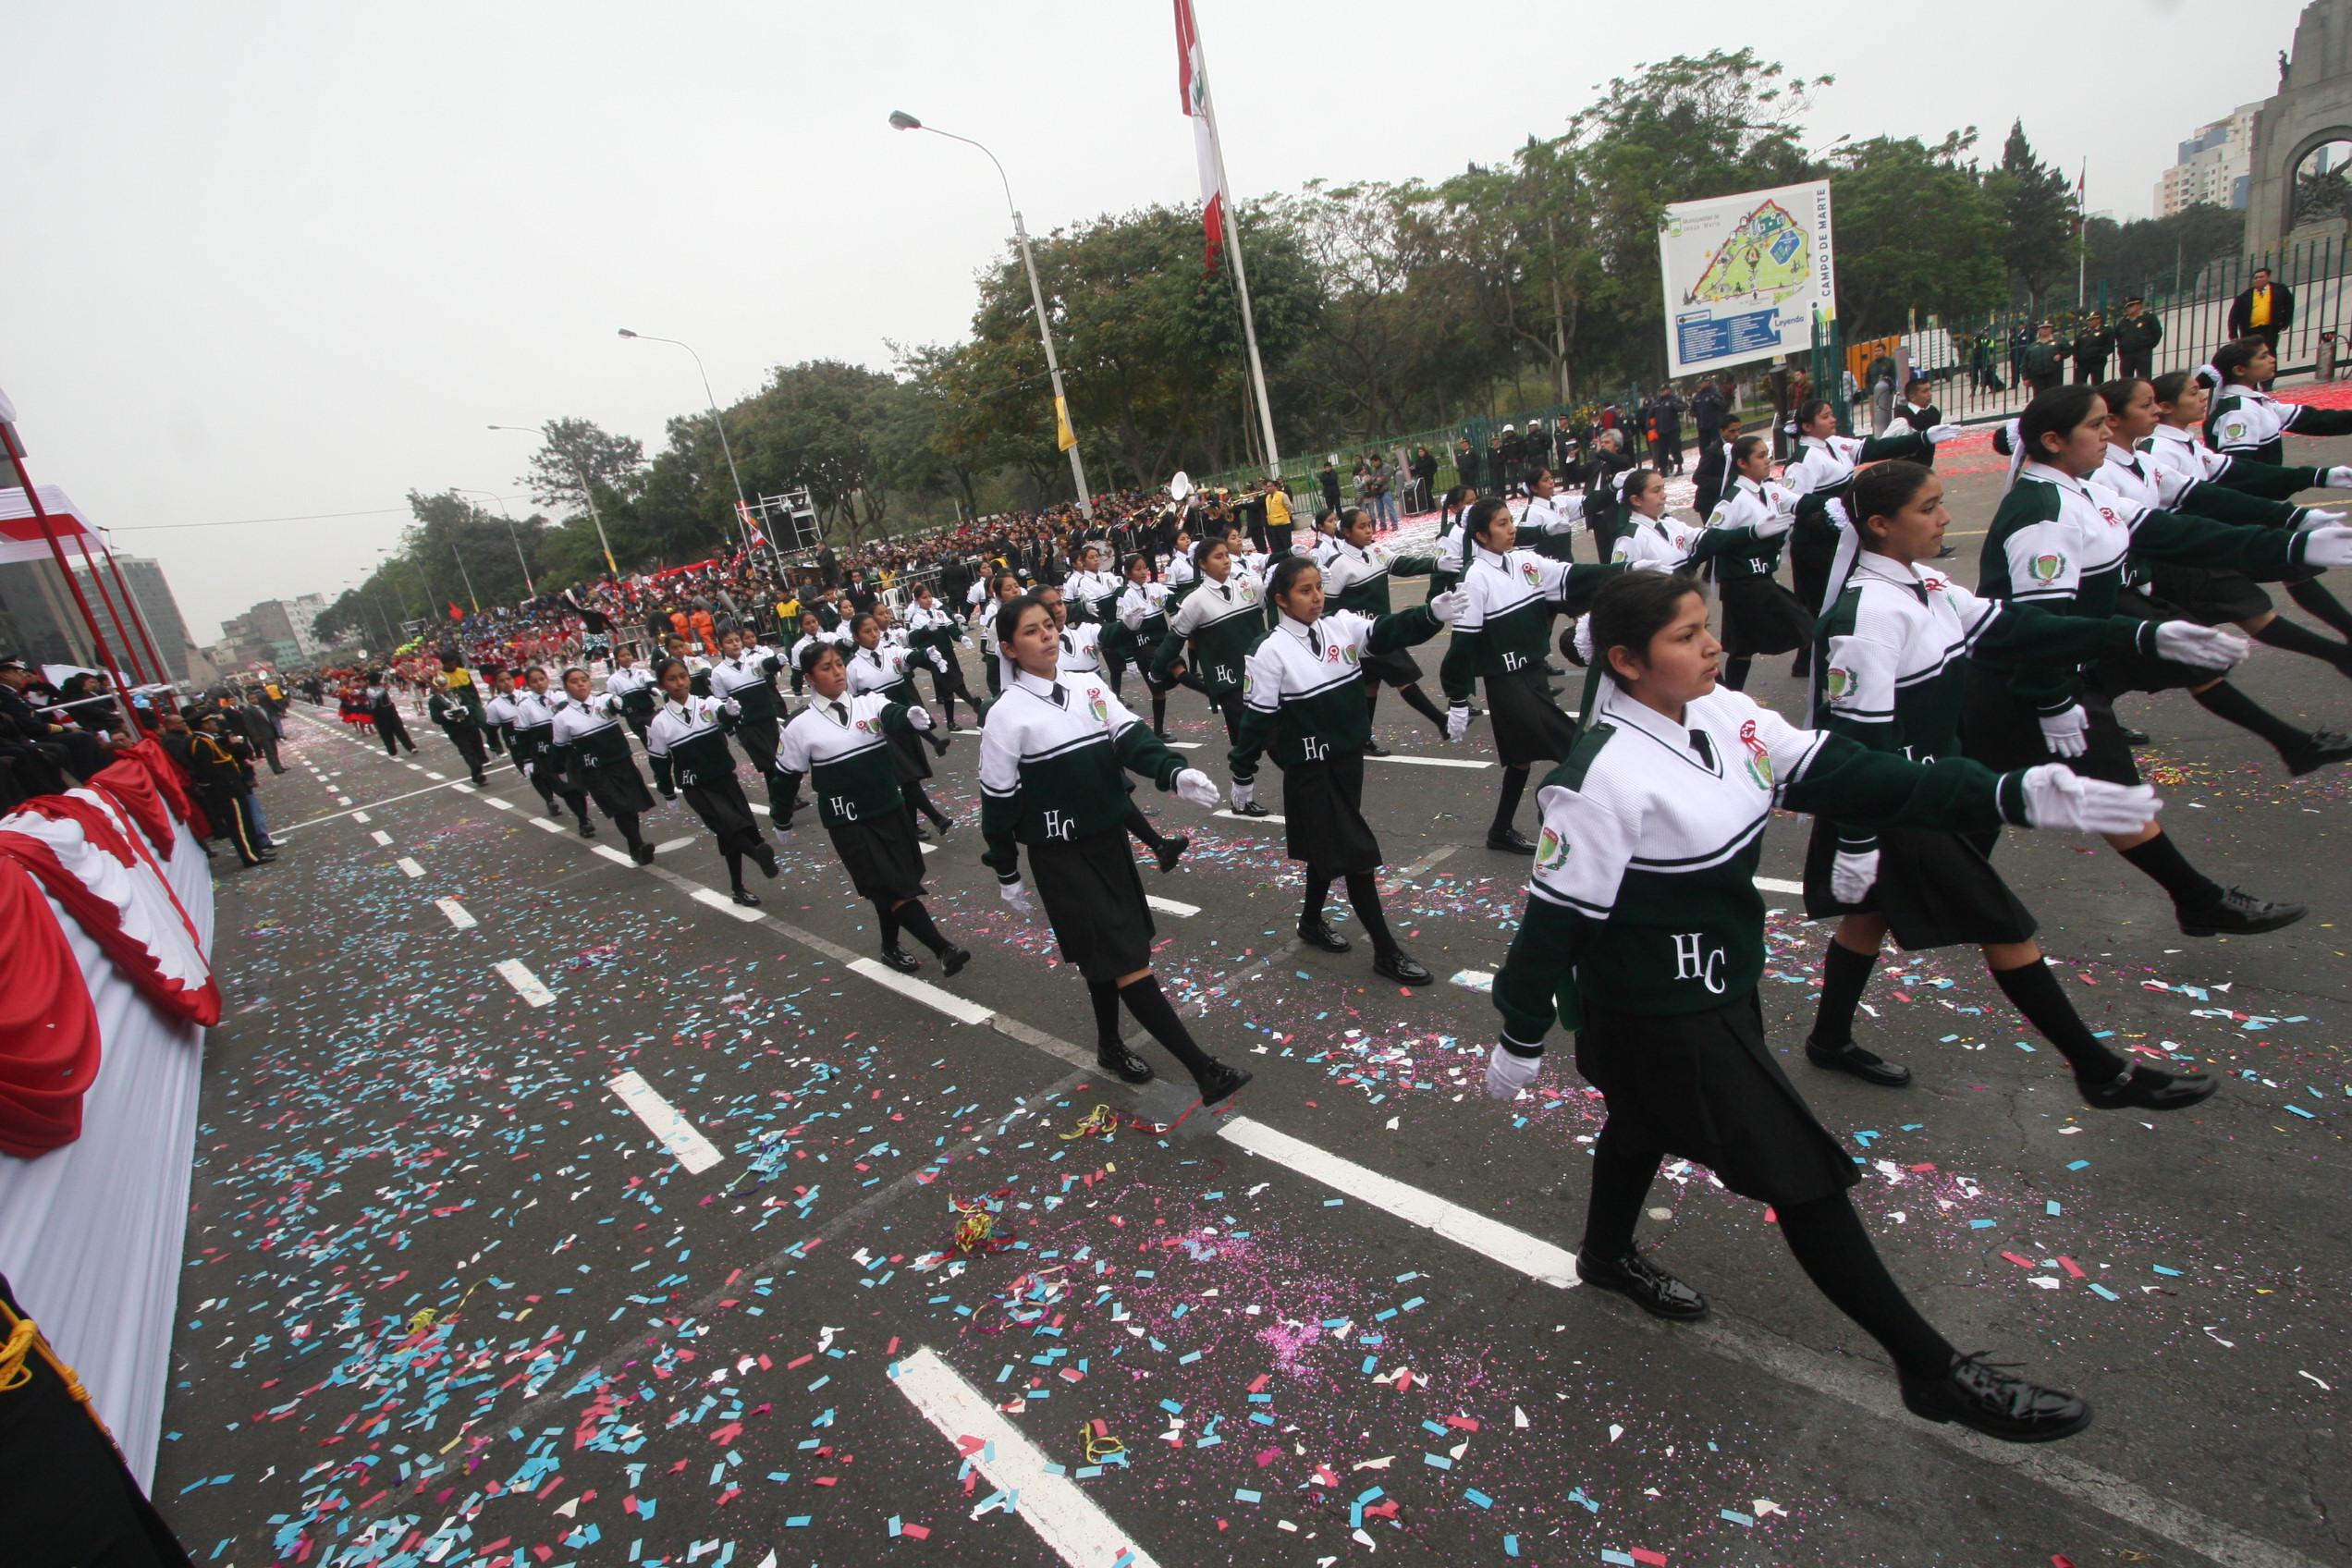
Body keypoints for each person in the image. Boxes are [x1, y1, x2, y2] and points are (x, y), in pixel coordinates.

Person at [1486, 569, 2158, 1444]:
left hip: (1721, 986)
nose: (1713, 645)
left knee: (1641, 1125)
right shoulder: (1600, 779)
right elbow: (1554, 923)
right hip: (1657, 1014)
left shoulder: (1723, 713)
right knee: (1799, 1172)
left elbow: (1842, 770)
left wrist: (2004, 793)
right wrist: (1521, 1033)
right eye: (1687, 635)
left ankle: (1606, 1254)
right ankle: (1930, 1367)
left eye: (1705, 625)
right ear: (1626, 661)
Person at [1804, 458, 2240, 1100]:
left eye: (1941, 502)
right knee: (2006, 928)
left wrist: (2142, 635)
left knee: (1868, 918)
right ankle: (2100, 1072)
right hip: (1898, 802)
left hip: (1934, 789)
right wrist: (1859, 841)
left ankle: (1828, 1039)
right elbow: (1858, 744)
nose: (1945, 517)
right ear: (1878, 524)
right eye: (1927, 507)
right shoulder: (1868, 616)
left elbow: (2017, 628)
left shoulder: (1923, 584)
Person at [1966, 386, 2352, 935]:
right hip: (2024, 684)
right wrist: (2052, 699)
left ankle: (1925, 888)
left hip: (2048, 677)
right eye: (2095, 425)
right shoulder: (2043, 515)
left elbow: (2185, 531)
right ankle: (2198, 900)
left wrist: (2296, 544)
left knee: (1981, 806)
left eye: (2106, 422)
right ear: (2053, 440)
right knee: (2091, 797)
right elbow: (2036, 626)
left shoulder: (2080, 492)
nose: (2107, 433)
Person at [982, 592, 1248, 1102]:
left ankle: (1108, 1044)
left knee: (1108, 955)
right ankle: (1204, 1071)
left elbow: (1130, 738)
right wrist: (1006, 870)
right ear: (1009, 648)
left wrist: (1173, 770)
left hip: (1108, 845)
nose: (1047, 636)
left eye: (1049, 625)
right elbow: (999, 801)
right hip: (1063, 858)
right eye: (1032, 631)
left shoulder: (1086, 685)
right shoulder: (1006, 715)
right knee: (1128, 960)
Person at [1231, 557, 1464, 985]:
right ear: (1281, 600)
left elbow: (1388, 631)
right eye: (1304, 590)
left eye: (1319, 587)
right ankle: (1386, 952)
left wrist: (1430, 615)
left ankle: (1309, 922)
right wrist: (1242, 775)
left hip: (1346, 760)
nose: (1317, 596)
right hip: (1309, 770)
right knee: (1357, 857)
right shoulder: (1268, 651)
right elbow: (1256, 721)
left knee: (1331, 847)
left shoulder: (1341, 626)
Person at [1439, 498, 1623, 851]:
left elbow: (1572, 575)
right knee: (1573, 748)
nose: (1511, 529)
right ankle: (1591, 828)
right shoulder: (1474, 579)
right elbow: (1462, 647)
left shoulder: (1524, 561)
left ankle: (1500, 831)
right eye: (1501, 524)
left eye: (1511, 521)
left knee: (1521, 760)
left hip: (1534, 675)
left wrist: (1625, 571)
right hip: (1507, 683)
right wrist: (1458, 698)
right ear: (1480, 534)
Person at [777, 642, 971, 974]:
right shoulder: (800, 726)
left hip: (889, 809)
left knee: (894, 885)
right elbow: (785, 777)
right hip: (850, 822)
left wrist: (908, 718)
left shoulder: (869, 704)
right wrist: (781, 819)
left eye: (839, 664)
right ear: (809, 677)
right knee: (892, 885)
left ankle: (890, 947)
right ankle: (944, 948)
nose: (837, 672)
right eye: (826, 667)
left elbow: (890, 715)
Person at [1782, 397, 1956, 631]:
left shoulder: (1834, 444)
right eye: (1825, 416)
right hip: (1816, 544)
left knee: (1845, 597)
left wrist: (1923, 438)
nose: (1833, 419)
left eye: (1832, 413)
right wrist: (1828, 506)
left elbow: (1875, 448)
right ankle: (1809, 663)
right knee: (1820, 605)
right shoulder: (1802, 460)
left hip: (1843, 535)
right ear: (1807, 426)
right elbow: (1790, 502)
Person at [644, 656, 779, 906]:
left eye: (682, 676)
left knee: (738, 830)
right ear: (662, 685)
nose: (679, 683)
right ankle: (757, 855)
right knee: (729, 825)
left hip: (724, 778)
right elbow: (660, 763)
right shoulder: (658, 722)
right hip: (697, 786)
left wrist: (729, 713)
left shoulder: (706, 704)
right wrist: (668, 793)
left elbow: (723, 715)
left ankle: (737, 888)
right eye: (671, 679)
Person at [1320, 507, 1452, 745]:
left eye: (1370, 524)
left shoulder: (1377, 551)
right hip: (1364, 636)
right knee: (1404, 676)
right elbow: (1326, 605)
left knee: (1371, 686)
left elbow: (1402, 564)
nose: (1369, 530)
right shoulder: (1339, 564)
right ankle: (1441, 721)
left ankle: (1361, 739)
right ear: (1347, 532)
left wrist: (1436, 564)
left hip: (1383, 628)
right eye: (1362, 526)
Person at [1149, 535, 1269, 776]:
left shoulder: (1248, 586)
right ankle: (1242, 791)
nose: (1226, 560)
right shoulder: (1195, 601)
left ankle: (1242, 791)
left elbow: (1278, 600)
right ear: (1202, 564)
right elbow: (1175, 640)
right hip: (1229, 682)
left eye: (1227, 555)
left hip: (1262, 674)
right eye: (1218, 556)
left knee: (1267, 737)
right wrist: (1155, 671)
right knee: (1248, 742)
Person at [1703, 435, 1811, 692]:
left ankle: (1729, 697)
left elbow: (1801, 502)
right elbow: (1709, 539)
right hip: (1743, 584)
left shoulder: (1768, 489)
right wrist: (1752, 533)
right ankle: (1822, 689)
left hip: (1760, 579)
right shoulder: (1733, 499)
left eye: (1767, 454)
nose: (1767, 460)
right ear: (1742, 463)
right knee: (1806, 627)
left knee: (1743, 649)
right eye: (1760, 456)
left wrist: (1836, 505)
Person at [846, 612, 955, 839]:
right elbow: (850, 702)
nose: (874, 634)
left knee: (909, 778)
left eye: (876, 629)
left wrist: (927, 653)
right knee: (907, 776)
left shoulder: (891, 652)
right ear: (856, 636)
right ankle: (937, 818)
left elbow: (909, 656)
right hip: (881, 730)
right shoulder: (853, 668)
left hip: (906, 723)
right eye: (867, 631)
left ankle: (911, 826)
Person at [551, 667, 659, 863]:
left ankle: (635, 845)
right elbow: (561, 748)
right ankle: (639, 845)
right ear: (566, 687)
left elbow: (616, 705)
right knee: (619, 806)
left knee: (631, 805)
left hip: (620, 761)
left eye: (583, 679)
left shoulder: (603, 701)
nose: (580, 684)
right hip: (594, 769)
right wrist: (560, 770)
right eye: (574, 681)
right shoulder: (562, 718)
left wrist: (617, 703)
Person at [2206, 334, 2352, 466]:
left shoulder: (2257, 402)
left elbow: (2313, 420)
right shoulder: (2239, 412)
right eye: (2263, 357)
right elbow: (2240, 470)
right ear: (2240, 370)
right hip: (2256, 494)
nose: (2272, 359)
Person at [1611, 468, 1786, 572]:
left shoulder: (1668, 523)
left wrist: (1751, 532)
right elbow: (1619, 582)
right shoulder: (1630, 538)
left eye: (1663, 489)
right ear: (1636, 500)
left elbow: (1708, 539)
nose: (1663, 496)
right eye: (1656, 491)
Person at [709, 627, 795, 829]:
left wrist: (778, 660)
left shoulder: (752, 660)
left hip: (767, 719)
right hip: (747, 725)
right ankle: (779, 804)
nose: (735, 644)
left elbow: (766, 665)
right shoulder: (719, 673)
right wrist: (730, 727)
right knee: (768, 764)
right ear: (722, 646)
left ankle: (780, 802)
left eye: (737, 640)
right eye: (729, 642)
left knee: (778, 762)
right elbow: (721, 705)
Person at [508, 666, 593, 834]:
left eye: (542, 679)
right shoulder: (525, 706)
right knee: (567, 788)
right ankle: (583, 820)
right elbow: (522, 736)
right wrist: (527, 760)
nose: (539, 684)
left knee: (577, 785)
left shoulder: (560, 695)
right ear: (528, 684)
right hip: (547, 754)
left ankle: (583, 814)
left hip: (568, 749)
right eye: (534, 681)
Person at [189, 711, 271, 866]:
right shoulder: (201, 743)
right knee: (238, 825)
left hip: (234, 787)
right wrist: (227, 785)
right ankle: (250, 856)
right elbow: (208, 770)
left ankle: (255, 851)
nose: (215, 724)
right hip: (226, 790)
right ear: (204, 725)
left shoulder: (210, 740)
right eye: (211, 722)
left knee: (246, 821)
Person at [428, 677, 491, 785]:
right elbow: (435, 717)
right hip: (455, 730)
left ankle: (478, 767)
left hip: (470, 726)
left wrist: (466, 708)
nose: (444, 688)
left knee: (478, 749)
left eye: (445, 685)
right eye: (441, 687)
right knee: (467, 751)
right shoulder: (434, 701)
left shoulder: (459, 693)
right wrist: (444, 715)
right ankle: (477, 774)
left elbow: (472, 705)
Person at [2226, 266, 2294, 365]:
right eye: (2256, 278)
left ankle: (2268, 378)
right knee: (2251, 355)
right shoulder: (2245, 296)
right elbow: (2234, 316)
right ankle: (2253, 378)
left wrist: (2285, 322)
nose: (2258, 279)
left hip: (2270, 329)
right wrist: (2233, 334)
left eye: (2261, 277)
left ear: (2268, 277)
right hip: (2251, 331)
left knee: (2269, 351)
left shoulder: (2279, 290)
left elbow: (2289, 305)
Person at [1690, 414, 1742, 522]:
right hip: (1710, 502)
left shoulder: (1738, 446)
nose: (1736, 434)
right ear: (1721, 431)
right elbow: (1698, 477)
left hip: (1728, 500)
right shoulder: (1712, 451)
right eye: (1732, 431)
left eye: (1738, 430)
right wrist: (1724, 482)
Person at [606, 644, 659, 741]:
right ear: (617, 659)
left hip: (650, 711)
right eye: (622, 656)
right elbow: (612, 700)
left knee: (661, 738)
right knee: (648, 742)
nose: (626, 657)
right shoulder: (613, 680)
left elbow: (651, 684)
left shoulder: (641, 673)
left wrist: (652, 687)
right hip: (634, 717)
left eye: (628, 654)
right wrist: (616, 704)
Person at [365, 669, 416, 757]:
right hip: (379, 714)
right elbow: (375, 696)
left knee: (399, 729)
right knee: (386, 733)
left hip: (390, 711)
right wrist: (384, 689)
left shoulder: (381, 686)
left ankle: (411, 747)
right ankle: (392, 750)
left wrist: (385, 686)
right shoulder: (370, 690)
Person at [2115, 296, 2162, 380]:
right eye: (2127, 307)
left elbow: (2157, 333)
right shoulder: (2123, 322)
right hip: (2127, 355)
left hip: (2142, 354)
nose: (2128, 309)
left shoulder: (2148, 318)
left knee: (2144, 379)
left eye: (2130, 306)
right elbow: (2118, 336)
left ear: (2138, 305)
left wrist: (2147, 345)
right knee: (2126, 380)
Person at [2019, 323, 2067, 397]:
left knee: (2055, 396)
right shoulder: (2032, 346)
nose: (2045, 330)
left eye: (2047, 328)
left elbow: (2069, 350)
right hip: (2037, 376)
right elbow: (2025, 362)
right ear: (2039, 330)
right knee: (2040, 397)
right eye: (2043, 328)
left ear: (2051, 329)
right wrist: (2025, 377)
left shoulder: (2058, 341)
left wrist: (2061, 355)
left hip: (2054, 375)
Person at [2070, 312, 2114, 385]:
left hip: (2097, 362)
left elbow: (2110, 345)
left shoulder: (2105, 330)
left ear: (2099, 319)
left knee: (2097, 384)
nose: (2090, 321)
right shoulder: (2083, 332)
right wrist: (2076, 356)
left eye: (2093, 319)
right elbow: (2076, 346)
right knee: (2079, 384)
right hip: (2082, 363)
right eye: (2089, 320)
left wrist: (2102, 355)